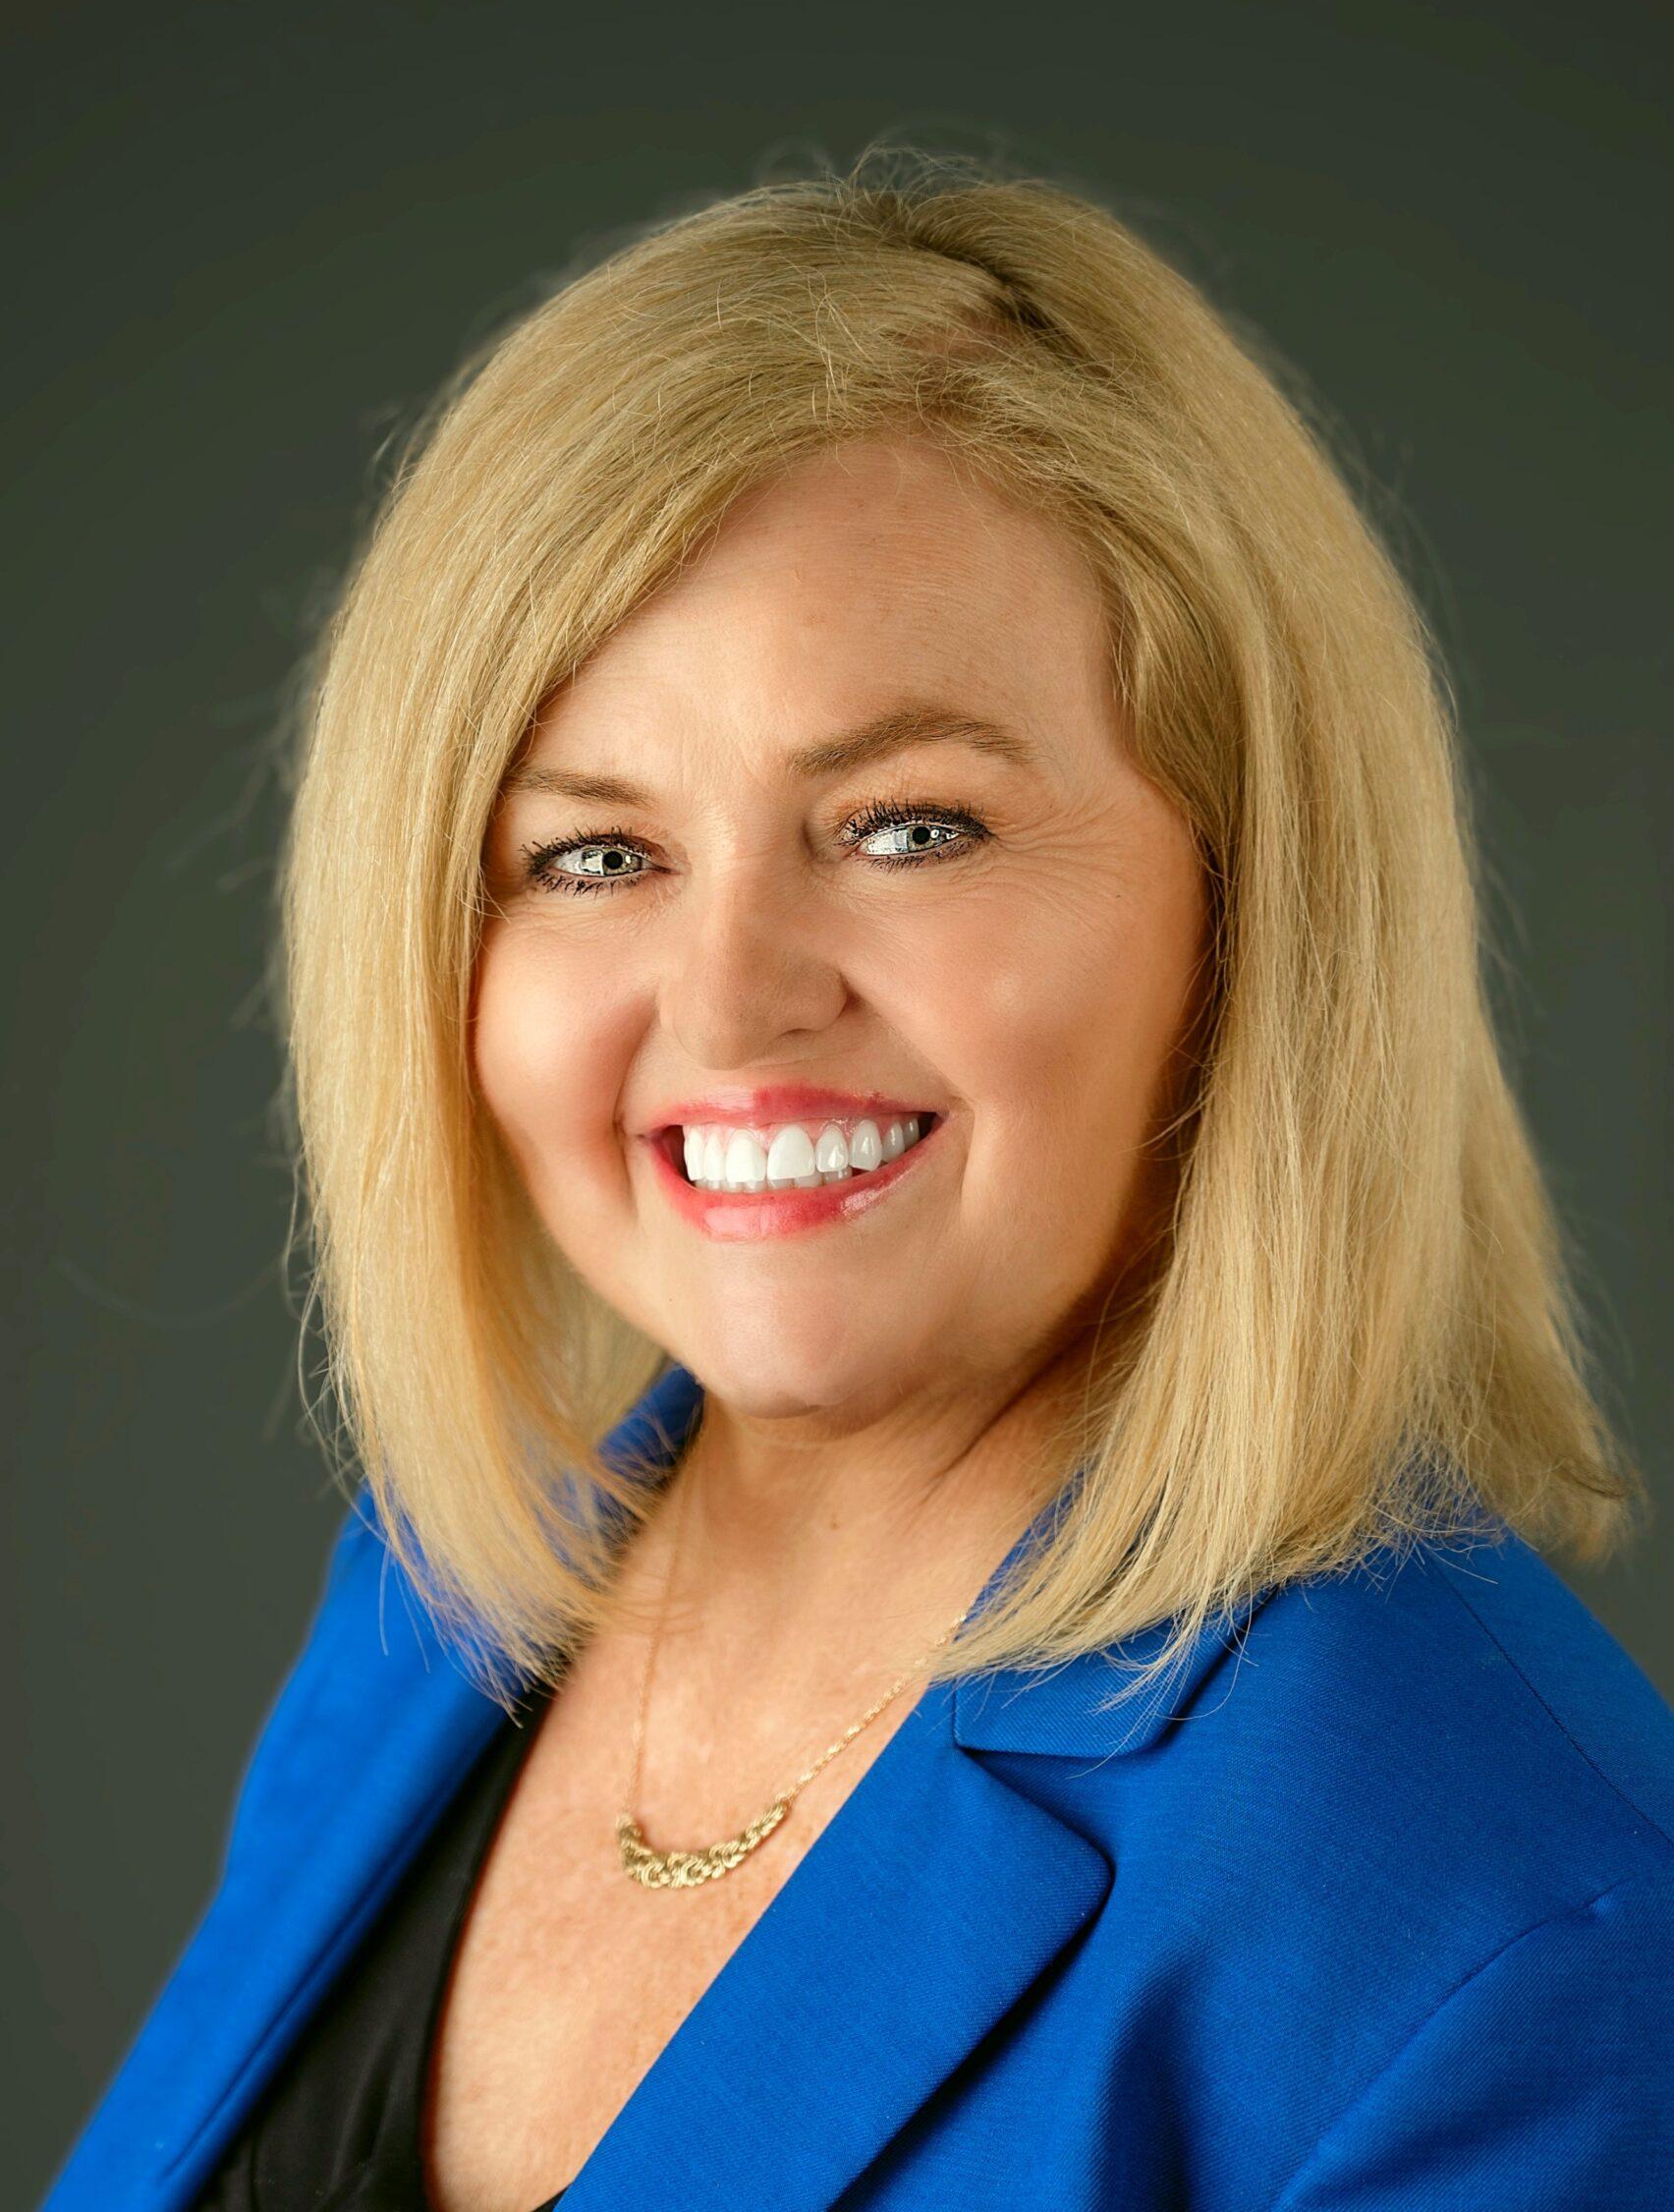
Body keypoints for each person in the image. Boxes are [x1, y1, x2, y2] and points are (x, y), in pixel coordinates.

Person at [43, 150, 1674, 2212]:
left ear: (1255, 904)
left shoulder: (1513, 1939)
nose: (729, 1006)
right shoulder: (453, 1595)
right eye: (596, 853)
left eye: (908, 825)